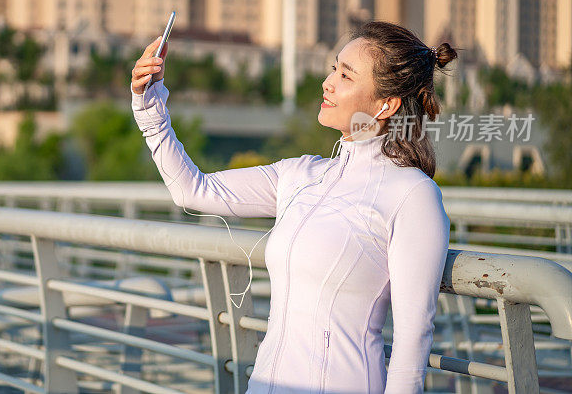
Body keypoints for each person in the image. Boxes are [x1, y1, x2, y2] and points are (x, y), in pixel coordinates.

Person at [130, 20, 457, 393]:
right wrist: (149, 105)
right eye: (334, 67)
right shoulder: (301, 174)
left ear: (386, 105)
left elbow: (412, 347)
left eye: (346, 76)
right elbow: (194, 190)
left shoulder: (412, 195)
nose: (328, 82)